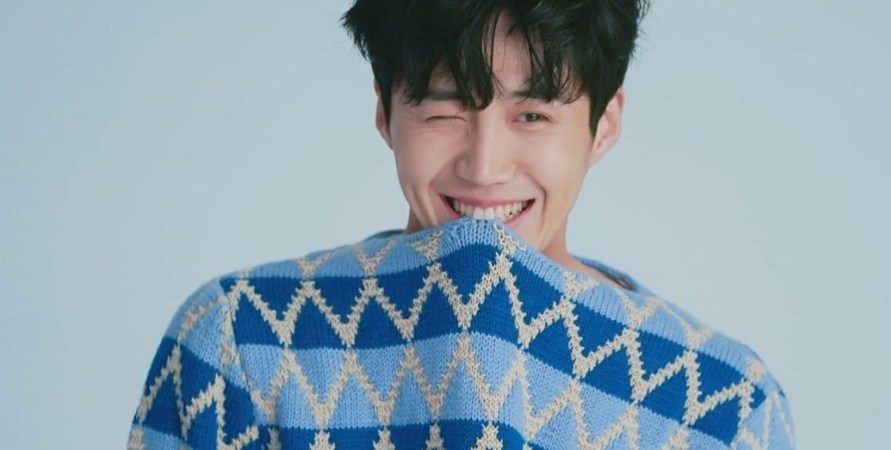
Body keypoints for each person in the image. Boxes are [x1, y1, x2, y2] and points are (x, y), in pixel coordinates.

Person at [128, 1, 794, 449]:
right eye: (444, 111)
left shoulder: (724, 403)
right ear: (386, 113)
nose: (484, 166)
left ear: (605, 124)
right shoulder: (238, 339)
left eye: (532, 116)